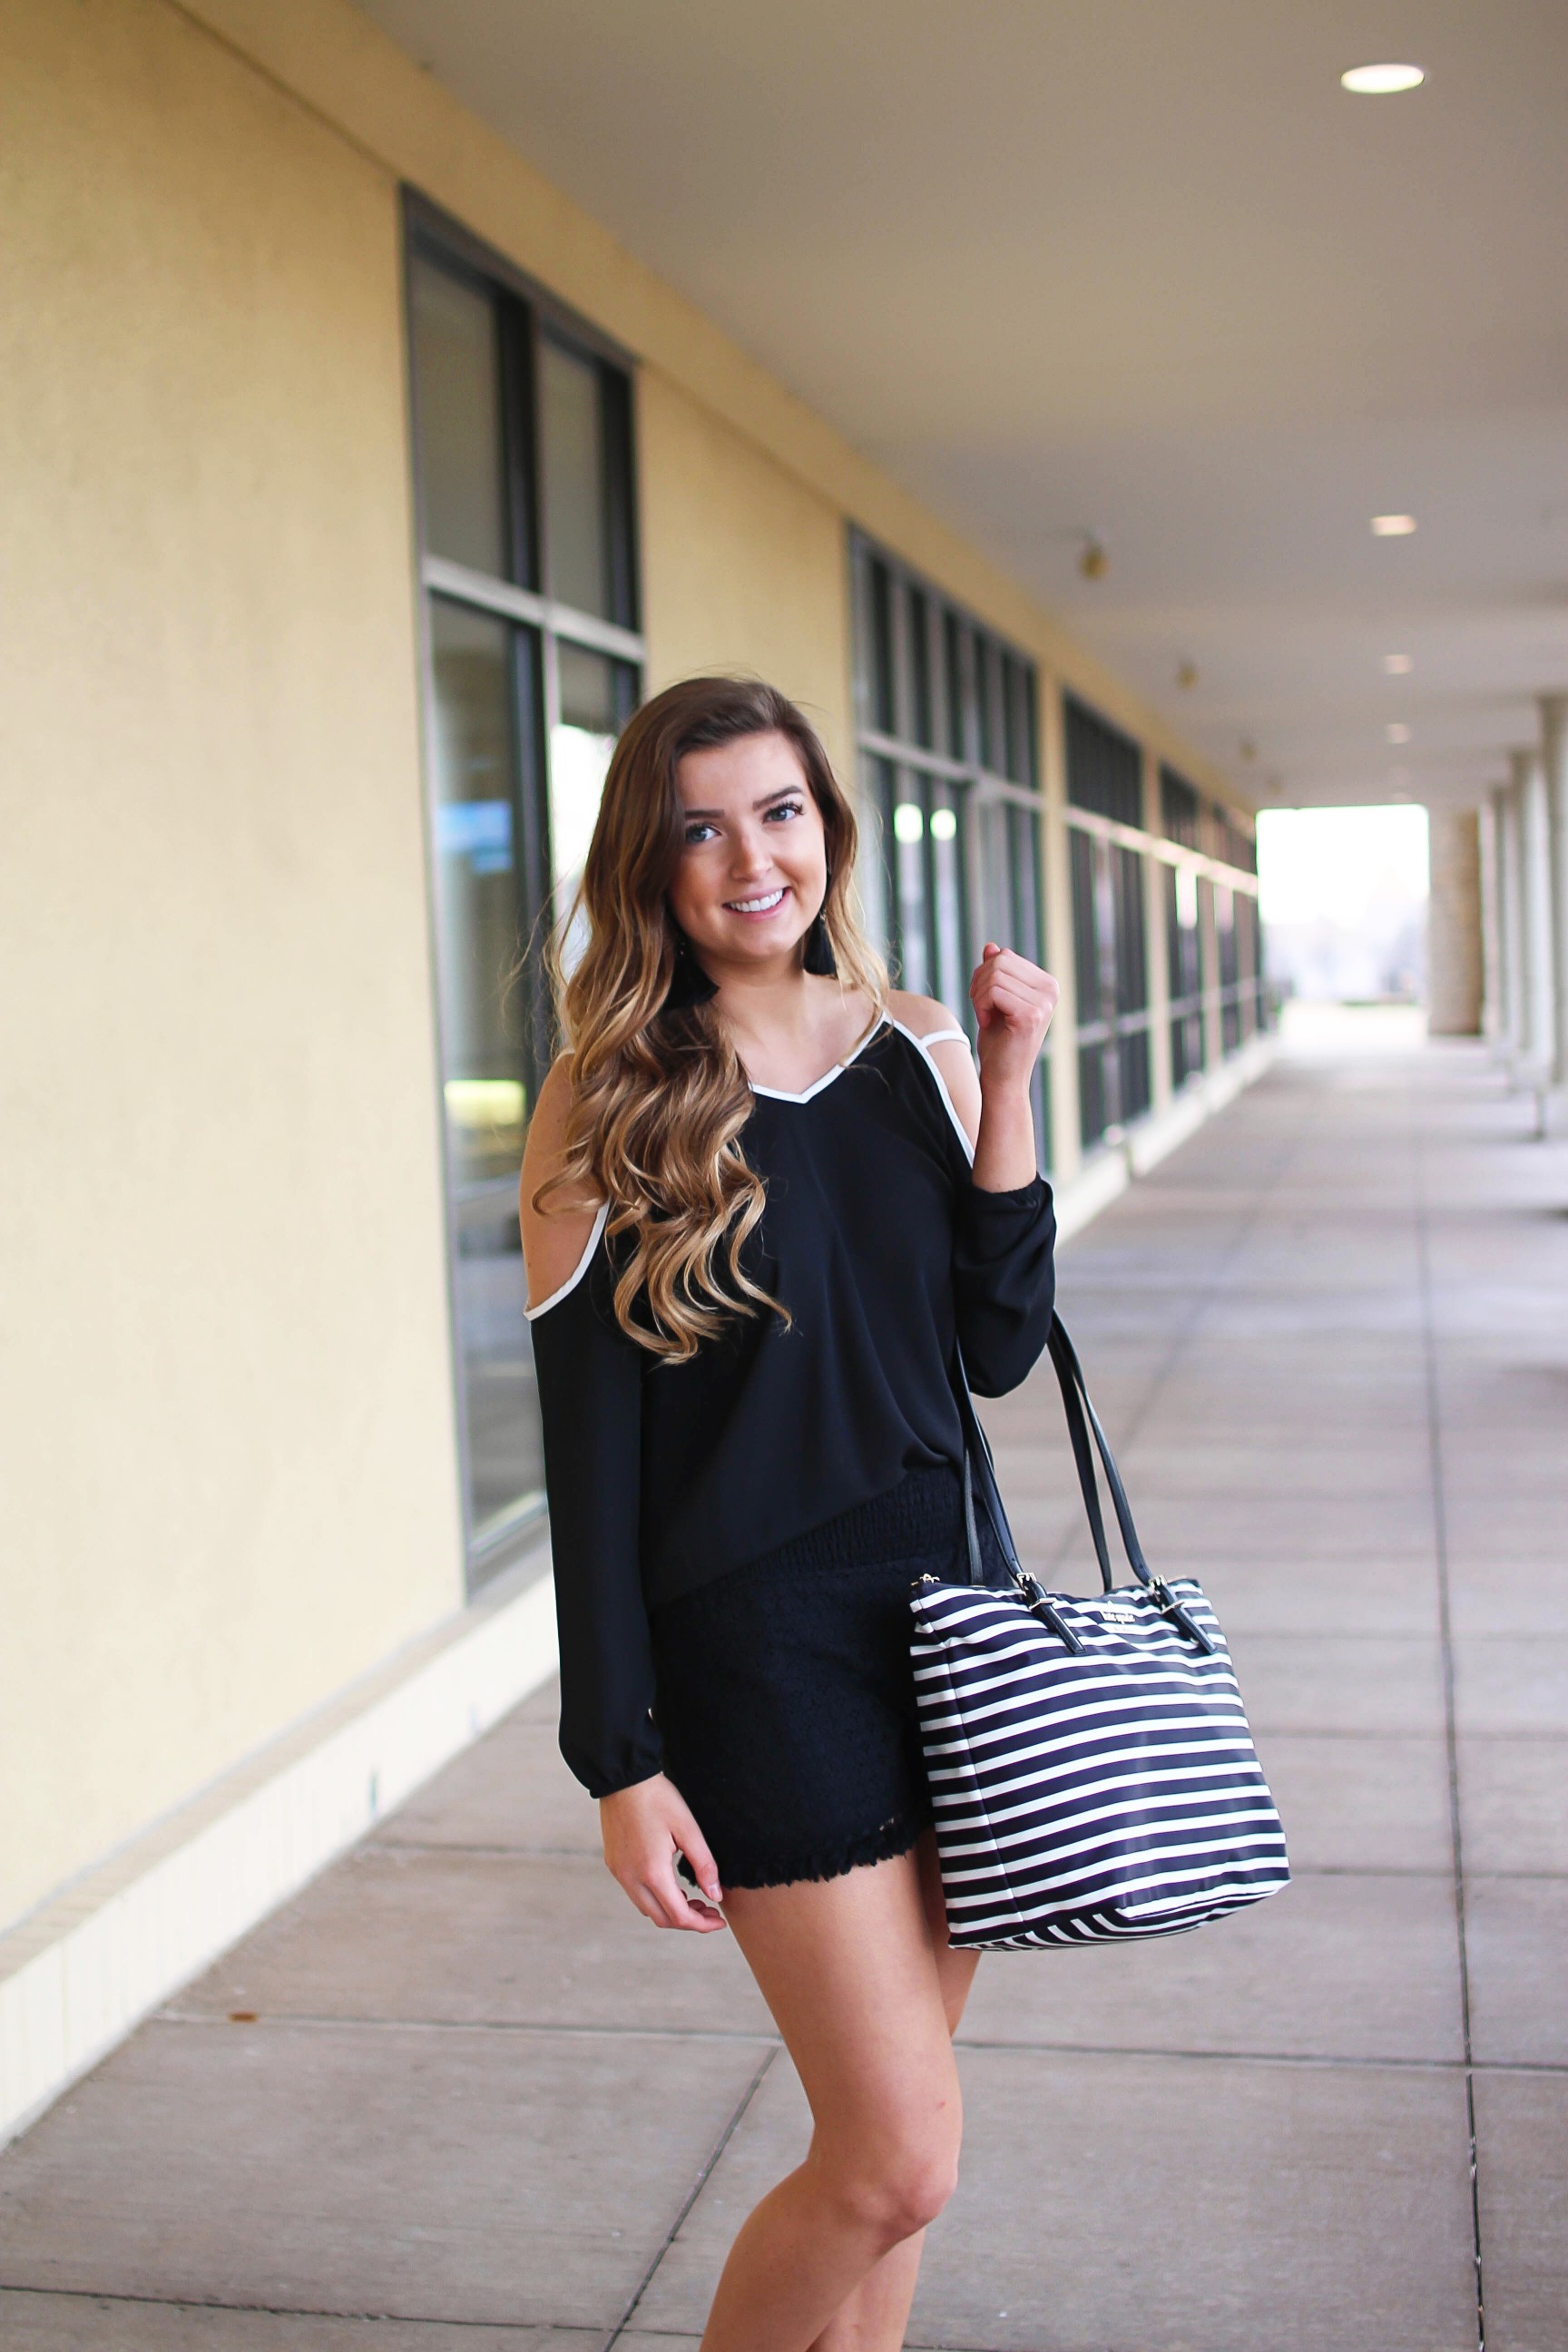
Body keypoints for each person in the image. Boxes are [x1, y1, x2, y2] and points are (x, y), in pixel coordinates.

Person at [519, 676, 1058, 2351]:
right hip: (760, 1660)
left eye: (780, 811)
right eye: (701, 827)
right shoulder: (602, 1104)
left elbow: (997, 1347)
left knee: (909, 2142)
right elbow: (586, 1465)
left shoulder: (916, 1047)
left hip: (948, 1621)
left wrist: (1012, 1081)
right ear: (652, 865)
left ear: (825, 825)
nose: (751, 858)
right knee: (895, 2162)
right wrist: (618, 1760)